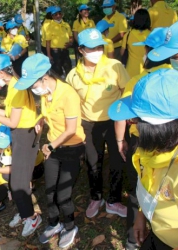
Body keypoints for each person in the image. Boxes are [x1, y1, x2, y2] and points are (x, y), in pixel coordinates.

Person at [14, 53, 85, 248]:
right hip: (53, 150)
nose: (32, 89)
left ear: (45, 77)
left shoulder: (68, 94)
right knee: (49, 192)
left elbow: (71, 129)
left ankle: (70, 227)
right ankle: (54, 224)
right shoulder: (46, 93)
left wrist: (51, 146)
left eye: (33, 85)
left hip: (71, 148)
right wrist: (41, 119)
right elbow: (47, 113)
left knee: (63, 195)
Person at [112, 27, 170, 250]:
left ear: (150, 52)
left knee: (139, 190)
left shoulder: (138, 80)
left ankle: (132, 239)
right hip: (171, 142)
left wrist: (120, 141)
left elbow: (122, 117)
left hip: (142, 142)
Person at [108, 69, 178, 250]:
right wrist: (142, 214)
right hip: (157, 232)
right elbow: (150, 187)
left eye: (134, 120)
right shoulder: (150, 152)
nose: (131, 124)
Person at [66, 28, 130, 219]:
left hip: (114, 122)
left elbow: (126, 92)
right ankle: (96, 197)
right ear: (81, 50)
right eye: (91, 48)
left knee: (117, 160)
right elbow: (70, 104)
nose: (97, 51)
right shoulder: (73, 76)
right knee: (93, 162)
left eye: (99, 47)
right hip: (88, 124)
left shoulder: (115, 66)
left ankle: (114, 200)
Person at [0, 54, 41, 237]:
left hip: (25, 135)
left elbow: (13, 122)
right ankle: (24, 213)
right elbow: (9, 112)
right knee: (16, 181)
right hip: (19, 134)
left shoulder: (18, 89)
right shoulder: (13, 86)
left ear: (0, 72)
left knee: (19, 182)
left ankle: (31, 217)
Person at [121, 9, 151, 78]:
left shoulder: (128, 34)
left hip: (130, 70)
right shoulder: (151, 35)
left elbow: (122, 52)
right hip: (147, 71)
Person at [45, 6, 73, 78]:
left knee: (68, 68)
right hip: (55, 52)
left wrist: (70, 43)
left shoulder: (66, 25)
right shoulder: (49, 26)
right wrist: (49, 55)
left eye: (59, 14)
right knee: (57, 71)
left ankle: (69, 85)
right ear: (52, 16)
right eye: (55, 14)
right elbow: (48, 42)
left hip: (65, 51)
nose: (58, 16)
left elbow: (71, 37)